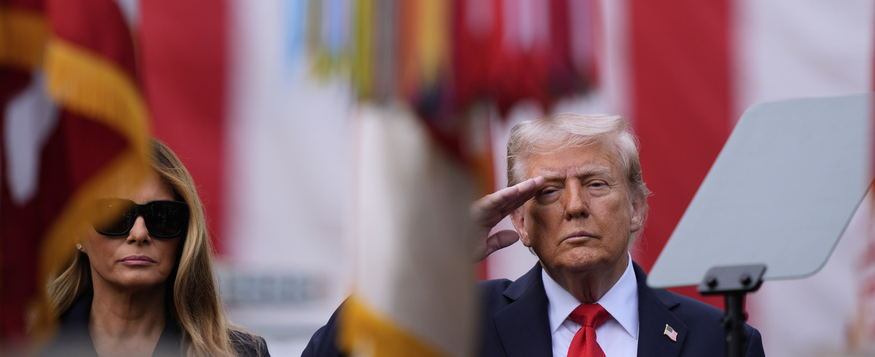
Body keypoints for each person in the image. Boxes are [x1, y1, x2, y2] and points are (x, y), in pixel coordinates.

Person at [304, 113, 765, 357]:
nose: (575, 205)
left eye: (596, 183)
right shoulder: (462, 329)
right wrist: (431, 257)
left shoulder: (722, 342)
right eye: (548, 192)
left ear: (637, 208)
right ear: (520, 221)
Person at [42, 138, 270, 357]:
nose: (139, 234)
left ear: (185, 236)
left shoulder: (243, 354)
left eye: (162, 217)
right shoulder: (28, 346)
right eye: (114, 215)